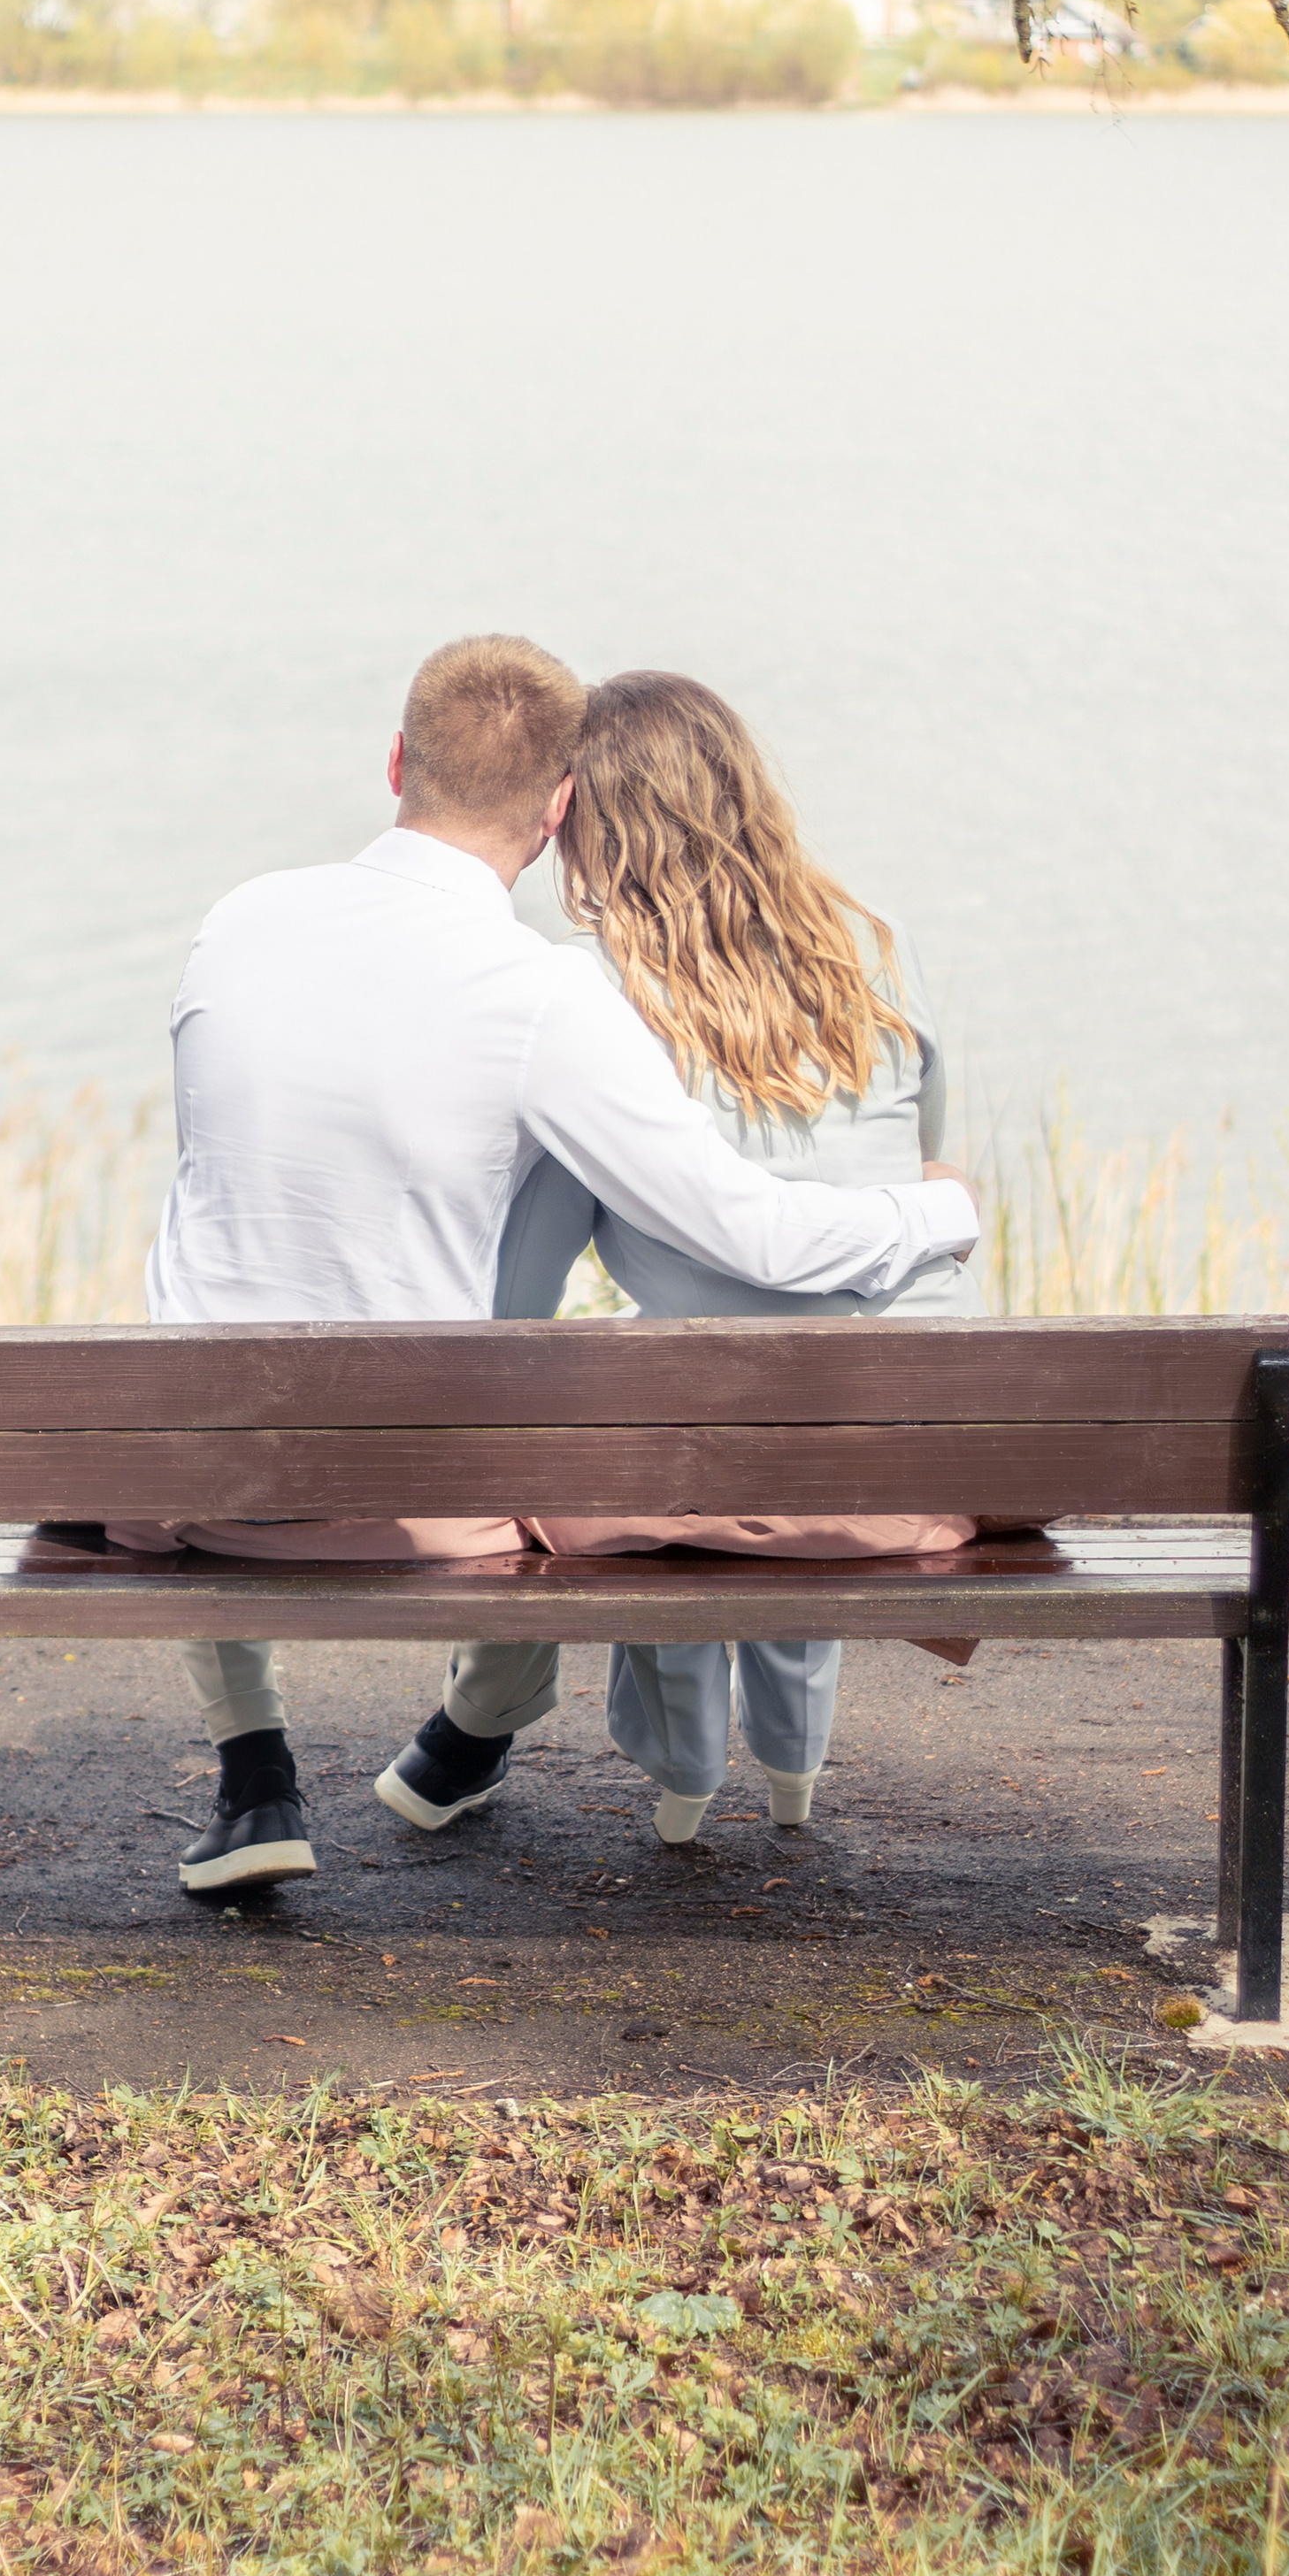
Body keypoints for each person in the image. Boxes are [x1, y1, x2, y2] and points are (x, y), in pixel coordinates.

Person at [118, 634, 981, 1895]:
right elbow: (742, 1229)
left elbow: (222, 1180)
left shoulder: (238, 918)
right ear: (559, 806)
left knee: (221, 1296)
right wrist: (930, 1216)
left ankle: (256, 1775)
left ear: (399, 761)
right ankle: (474, 1729)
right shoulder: (545, 995)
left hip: (184, 1476)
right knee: (527, 1445)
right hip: (410, 1510)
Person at [483, 669, 984, 1846]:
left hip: (717, 1467)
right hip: (916, 1476)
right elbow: (919, 1168)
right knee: (796, 1390)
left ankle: (683, 1771)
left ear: (586, 820)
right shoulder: (873, 958)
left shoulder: (593, 994)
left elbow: (517, 1298)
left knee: (657, 1416)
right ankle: (795, 1764)